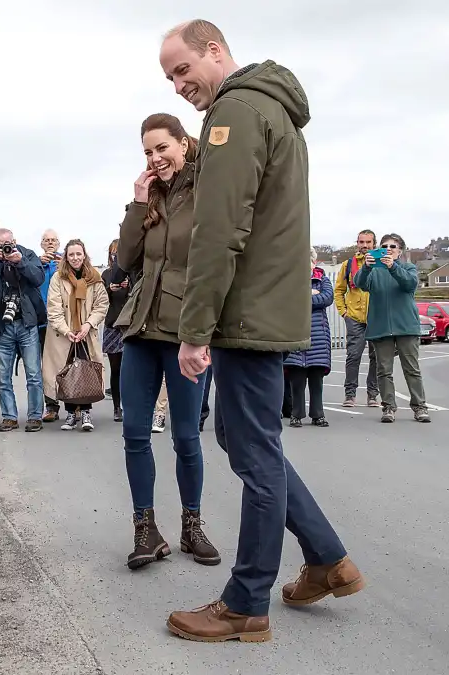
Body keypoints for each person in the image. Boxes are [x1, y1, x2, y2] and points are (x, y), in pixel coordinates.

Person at [161, 19, 364, 643]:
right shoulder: (272, 109)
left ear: (214, 51)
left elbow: (219, 231)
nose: (178, 86)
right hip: (267, 306)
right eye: (169, 78)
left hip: (245, 311)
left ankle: (246, 601)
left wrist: (194, 329)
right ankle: (328, 559)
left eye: (182, 70)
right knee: (249, 441)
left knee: (253, 453)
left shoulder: (237, 112)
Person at [116, 113, 220, 571]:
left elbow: (218, 259)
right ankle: (146, 530)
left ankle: (191, 525)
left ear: (183, 143)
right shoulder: (150, 197)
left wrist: (207, 332)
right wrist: (138, 205)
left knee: (185, 436)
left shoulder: (209, 188)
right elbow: (124, 261)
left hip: (186, 331)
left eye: (162, 148)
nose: (155, 158)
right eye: (147, 152)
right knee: (135, 433)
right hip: (140, 328)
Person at [354, 234, 430, 423]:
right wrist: (366, 267)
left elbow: (410, 284)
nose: (388, 249)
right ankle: (388, 407)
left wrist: (393, 267)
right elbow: (359, 283)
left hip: (406, 327)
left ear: (400, 251)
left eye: (393, 246)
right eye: (384, 246)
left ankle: (419, 407)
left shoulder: (408, 268)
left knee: (412, 369)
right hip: (381, 327)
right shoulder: (373, 271)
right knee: (384, 370)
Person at [0, 228, 47, 432]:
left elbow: (38, 279)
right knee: (3, 377)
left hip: (26, 322)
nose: (5, 248)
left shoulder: (27, 254)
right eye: (0, 245)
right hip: (3, 325)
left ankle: (35, 416)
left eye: (7, 244)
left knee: (34, 374)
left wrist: (20, 262)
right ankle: (9, 416)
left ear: (15, 241)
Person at [43, 240, 109, 432]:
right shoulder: (58, 278)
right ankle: (71, 414)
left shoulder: (94, 277)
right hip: (64, 335)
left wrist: (88, 325)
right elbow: (53, 308)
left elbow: (101, 305)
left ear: (84, 255)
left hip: (86, 333)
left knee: (86, 372)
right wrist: (66, 330)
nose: (75, 258)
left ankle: (86, 412)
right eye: (71, 254)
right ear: (66, 257)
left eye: (78, 254)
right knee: (66, 373)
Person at [284, 248, 334, 428]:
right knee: (296, 381)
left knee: (316, 381)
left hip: (318, 338)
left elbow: (327, 298)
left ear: (314, 262)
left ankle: (318, 415)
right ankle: (296, 415)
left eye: (309, 260)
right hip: (295, 335)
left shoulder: (323, 280)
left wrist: (303, 297)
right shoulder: (289, 281)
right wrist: (310, 294)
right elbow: (287, 300)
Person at [335, 230, 380, 407]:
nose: (365, 245)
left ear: (374, 243)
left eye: (368, 242)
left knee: (376, 357)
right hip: (354, 317)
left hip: (376, 318)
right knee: (353, 356)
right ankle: (350, 394)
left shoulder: (381, 264)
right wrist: (343, 312)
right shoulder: (348, 265)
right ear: (357, 243)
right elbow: (339, 290)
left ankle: (372, 395)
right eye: (361, 242)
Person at [101, 239, 129, 422]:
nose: (116, 256)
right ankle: (116, 407)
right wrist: (110, 289)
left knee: (131, 369)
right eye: (113, 253)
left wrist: (129, 286)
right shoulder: (106, 274)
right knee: (116, 368)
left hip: (129, 326)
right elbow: (100, 299)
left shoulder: (132, 273)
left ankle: (130, 405)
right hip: (112, 325)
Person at [38, 229, 63, 422]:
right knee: (46, 366)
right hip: (42, 322)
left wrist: (64, 267)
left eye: (53, 240)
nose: (50, 243)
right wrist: (38, 265)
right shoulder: (36, 263)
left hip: (64, 321)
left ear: (59, 243)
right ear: (41, 244)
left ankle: (75, 404)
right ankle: (51, 406)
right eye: (46, 240)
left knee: (68, 363)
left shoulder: (67, 261)